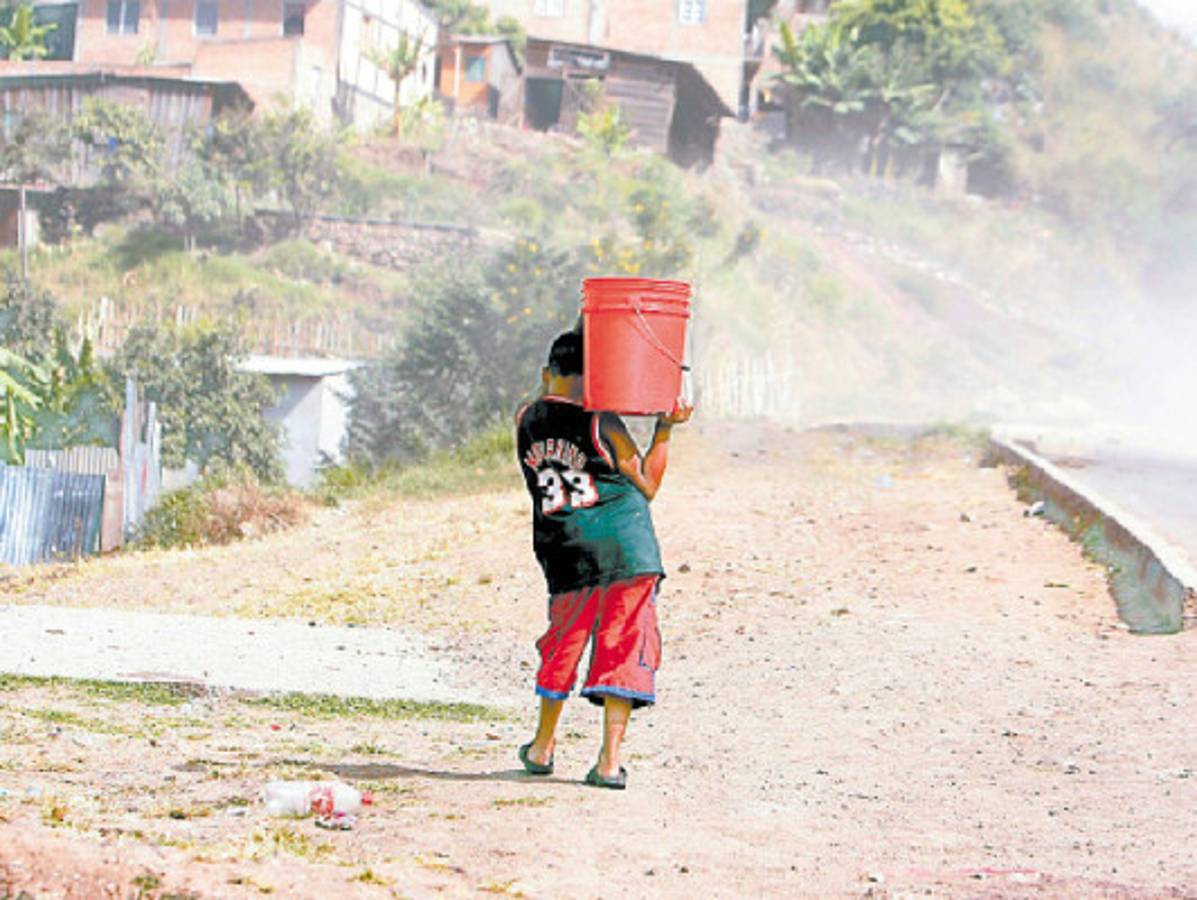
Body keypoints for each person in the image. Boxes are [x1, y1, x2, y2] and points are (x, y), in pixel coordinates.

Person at [514, 330, 692, 789]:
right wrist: (665, 428)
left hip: (566, 554)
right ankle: (609, 762)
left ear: (546, 374)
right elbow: (648, 485)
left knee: (563, 645)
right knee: (623, 647)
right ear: (596, 376)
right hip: (626, 551)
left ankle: (541, 747)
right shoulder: (603, 422)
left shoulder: (524, 419)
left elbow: (543, 400)